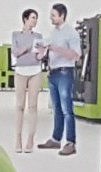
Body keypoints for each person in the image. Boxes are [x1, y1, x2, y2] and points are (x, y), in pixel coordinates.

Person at [39, 4, 84, 156]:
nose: (51, 18)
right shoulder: (52, 33)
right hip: (53, 73)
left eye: (53, 15)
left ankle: (71, 143)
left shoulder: (71, 33)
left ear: (62, 15)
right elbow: (47, 50)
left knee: (67, 110)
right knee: (57, 109)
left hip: (65, 73)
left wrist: (55, 49)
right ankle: (56, 139)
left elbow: (76, 55)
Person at [11, 9, 48, 153]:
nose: (35, 20)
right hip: (20, 71)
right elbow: (16, 53)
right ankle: (18, 139)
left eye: (36, 18)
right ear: (25, 19)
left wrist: (42, 53)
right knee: (19, 106)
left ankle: (30, 139)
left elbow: (38, 57)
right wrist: (27, 47)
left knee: (33, 106)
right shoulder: (16, 35)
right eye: (33, 17)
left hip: (35, 71)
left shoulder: (38, 36)